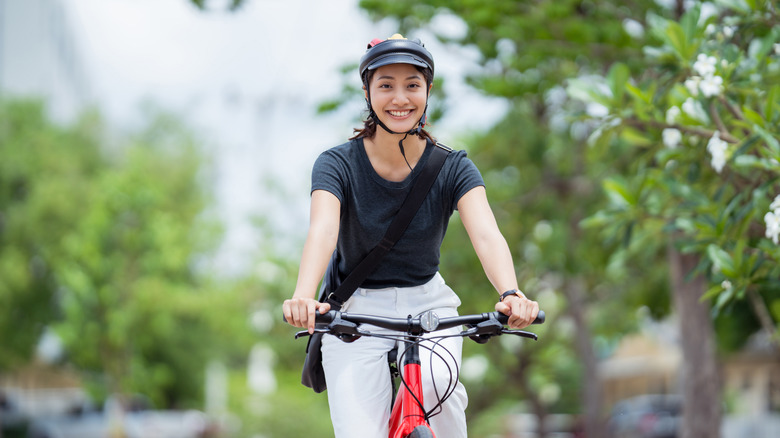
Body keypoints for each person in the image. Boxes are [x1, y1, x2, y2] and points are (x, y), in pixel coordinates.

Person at [282, 34, 540, 438]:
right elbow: (324, 229)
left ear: (428, 91)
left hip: (428, 305)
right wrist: (303, 294)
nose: (399, 98)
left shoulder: (454, 167)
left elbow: (487, 234)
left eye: (412, 85)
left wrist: (511, 293)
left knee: (441, 390)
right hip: (355, 313)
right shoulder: (337, 163)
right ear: (367, 91)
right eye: (386, 85)